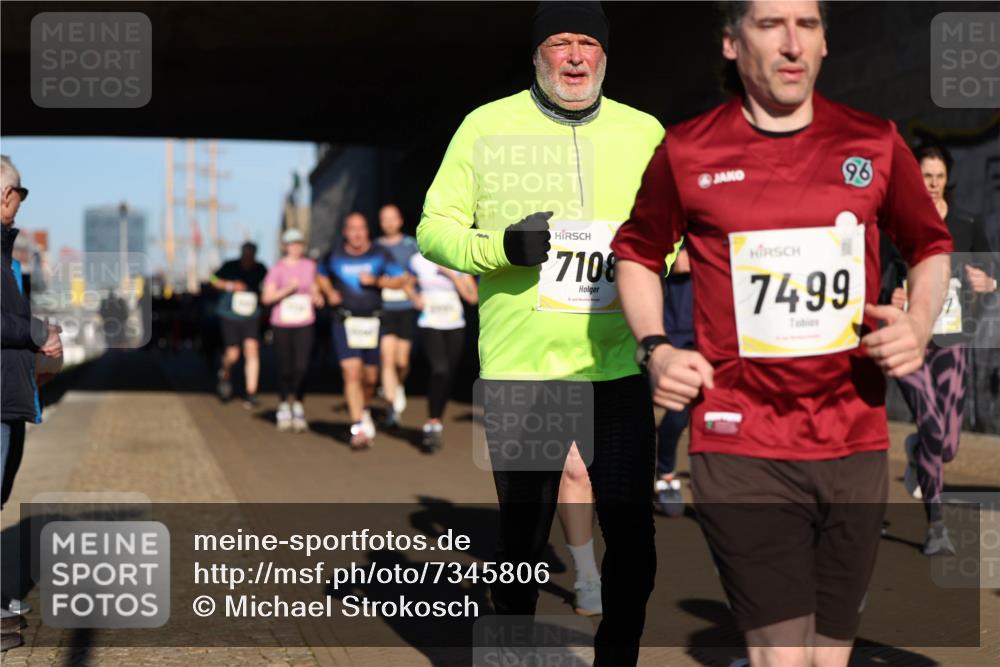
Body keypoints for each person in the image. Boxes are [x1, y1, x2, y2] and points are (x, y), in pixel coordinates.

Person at [611, 2, 953, 665]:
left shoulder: (874, 142)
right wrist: (655, 347)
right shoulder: (687, 150)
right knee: (782, 658)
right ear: (733, 43)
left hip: (852, 438)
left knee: (829, 656)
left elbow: (930, 244)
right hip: (743, 441)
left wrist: (917, 320)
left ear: (825, 43)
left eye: (808, 25)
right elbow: (636, 252)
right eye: (771, 24)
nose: (792, 42)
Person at [417, 3, 672, 663]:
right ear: (537, 54)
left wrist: (652, 259)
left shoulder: (644, 131)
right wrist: (501, 244)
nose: (576, 57)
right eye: (561, 43)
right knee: (523, 545)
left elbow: (679, 234)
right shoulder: (486, 126)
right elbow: (433, 228)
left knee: (634, 541)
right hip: (522, 370)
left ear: (606, 55)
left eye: (588, 43)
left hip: (615, 363)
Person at [889, 145, 997, 555]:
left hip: (952, 341)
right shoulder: (899, 224)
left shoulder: (967, 223)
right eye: (924, 175)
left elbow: (990, 272)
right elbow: (881, 276)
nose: (931, 184)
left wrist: (990, 284)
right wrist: (891, 295)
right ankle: (937, 525)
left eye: (937, 176)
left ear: (946, 178)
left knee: (946, 444)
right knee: (934, 427)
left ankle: (918, 450)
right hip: (910, 340)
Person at [1, 155, 62, 651]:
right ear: (5, 194)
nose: (20, 201)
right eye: (20, 192)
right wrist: (36, 332)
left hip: (10, 396)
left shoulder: (7, 257)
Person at [316, 212, 407, 449]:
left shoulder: (379, 254)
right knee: (351, 373)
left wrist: (377, 282)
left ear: (367, 231)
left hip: (373, 322)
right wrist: (328, 293)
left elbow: (401, 280)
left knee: (370, 378)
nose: (356, 234)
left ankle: (364, 406)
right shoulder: (334, 254)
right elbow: (320, 276)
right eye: (351, 229)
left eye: (361, 228)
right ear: (345, 232)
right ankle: (357, 426)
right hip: (344, 321)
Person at [407, 252, 478, 451]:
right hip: (429, 322)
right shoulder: (417, 260)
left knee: (447, 375)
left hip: (454, 324)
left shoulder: (458, 258)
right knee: (440, 369)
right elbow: (407, 283)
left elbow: (472, 298)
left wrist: (453, 275)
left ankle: (436, 420)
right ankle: (432, 420)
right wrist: (415, 297)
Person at [261, 228, 323, 432]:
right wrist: (287, 289)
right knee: (285, 367)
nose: (296, 247)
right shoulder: (277, 269)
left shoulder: (309, 266)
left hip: (304, 321)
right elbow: (266, 298)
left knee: (302, 367)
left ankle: (298, 403)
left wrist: (317, 297)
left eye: (299, 243)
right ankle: (283, 404)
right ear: (284, 246)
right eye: (291, 243)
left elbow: (314, 288)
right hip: (282, 323)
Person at [654, 245, 693, 518]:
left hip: (704, 334)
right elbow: (679, 264)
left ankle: (668, 475)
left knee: (685, 416)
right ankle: (665, 473)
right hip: (662, 332)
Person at [376, 204, 420, 427]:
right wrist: (390, 282)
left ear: (400, 220)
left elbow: (421, 271)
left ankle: (399, 385)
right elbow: (373, 277)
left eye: (393, 218)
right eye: (384, 219)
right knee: (387, 358)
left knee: (402, 361)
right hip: (384, 309)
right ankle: (391, 407)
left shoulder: (411, 245)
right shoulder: (374, 247)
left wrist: (408, 283)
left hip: (405, 308)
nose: (389, 222)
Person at [210, 241, 268, 408]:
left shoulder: (260, 268)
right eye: (246, 254)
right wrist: (230, 285)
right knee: (233, 354)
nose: (248, 258)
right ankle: (225, 373)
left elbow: (269, 283)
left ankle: (251, 393)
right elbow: (212, 278)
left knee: (252, 350)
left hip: (252, 315)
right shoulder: (229, 266)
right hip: (230, 315)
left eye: (251, 255)